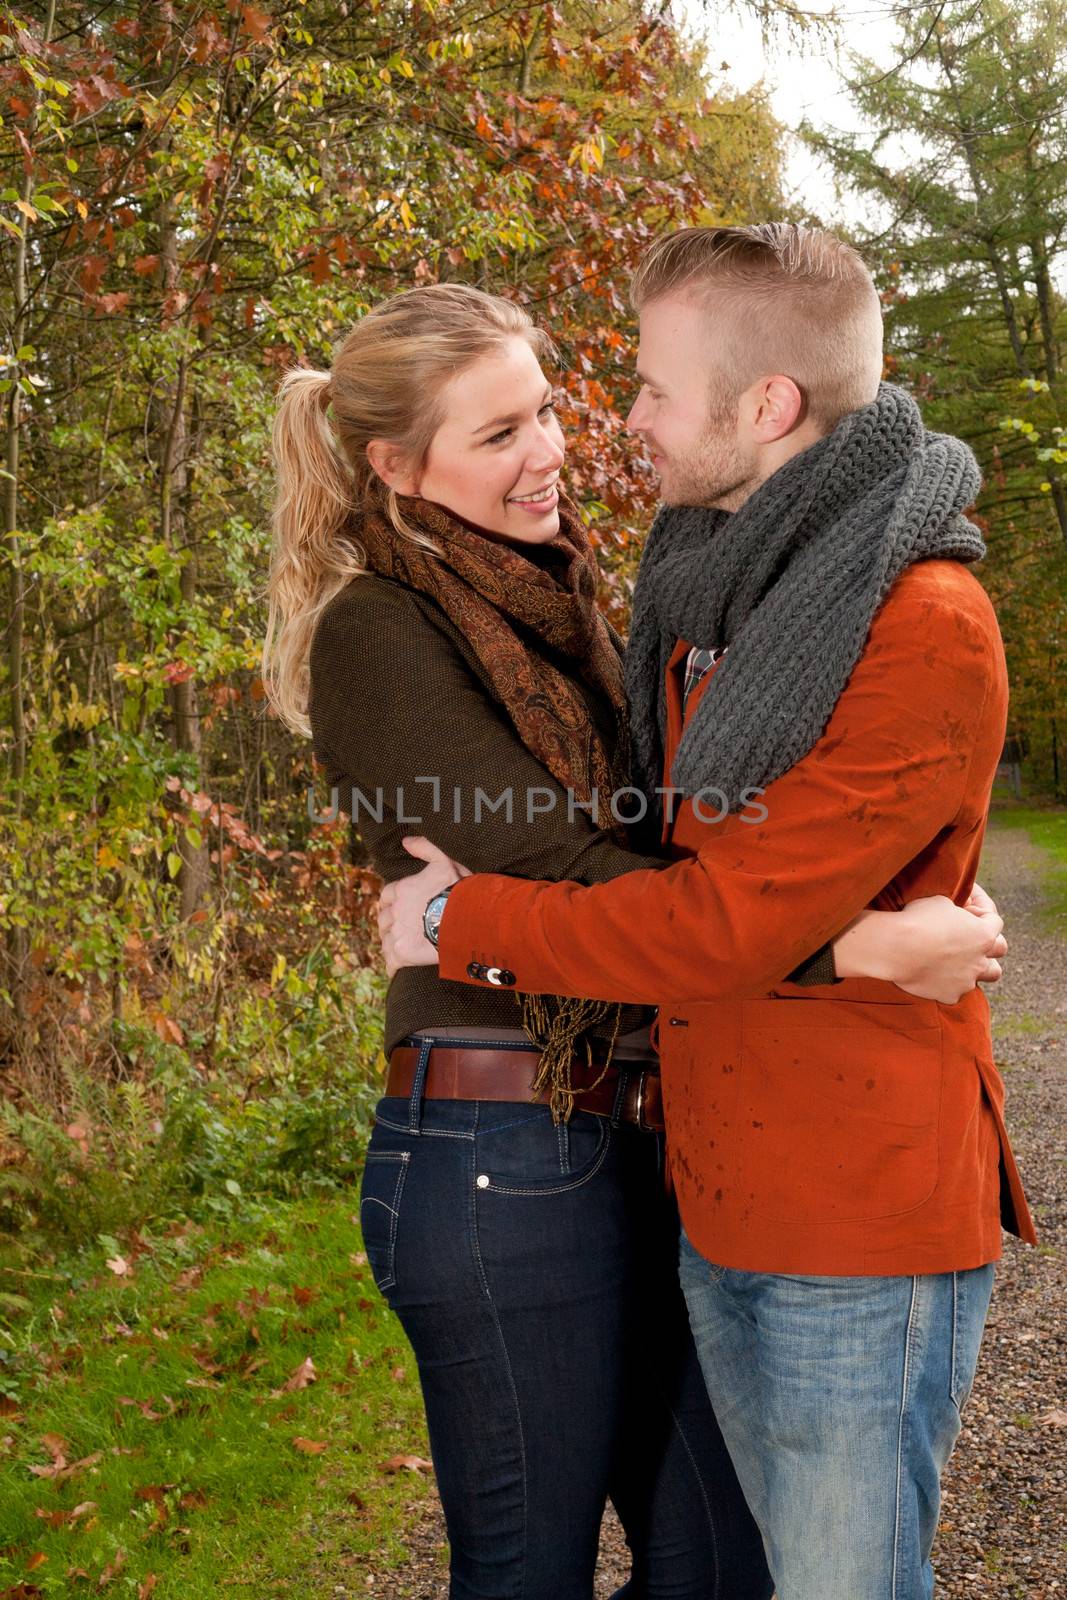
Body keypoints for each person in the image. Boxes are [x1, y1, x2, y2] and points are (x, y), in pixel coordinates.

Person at [264, 280, 1009, 1600]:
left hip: (633, 1131)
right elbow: (577, 875)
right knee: (527, 1570)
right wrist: (846, 947)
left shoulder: (570, 605)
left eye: (543, 411)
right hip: (498, 1148)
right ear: (394, 465)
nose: (551, 448)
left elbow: (682, 854)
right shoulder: (381, 628)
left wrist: (798, 898)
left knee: (720, 1562)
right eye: (495, 435)